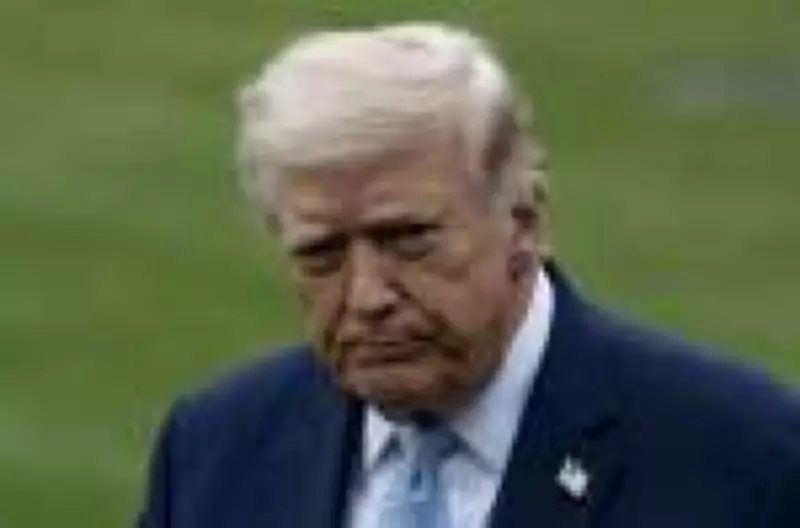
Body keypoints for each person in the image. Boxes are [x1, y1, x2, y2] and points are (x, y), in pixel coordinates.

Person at [137, 23, 800, 528]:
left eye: (409, 240)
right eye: (321, 255)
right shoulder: (213, 451)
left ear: (524, 224)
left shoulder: (747, 456)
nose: (366, 297)